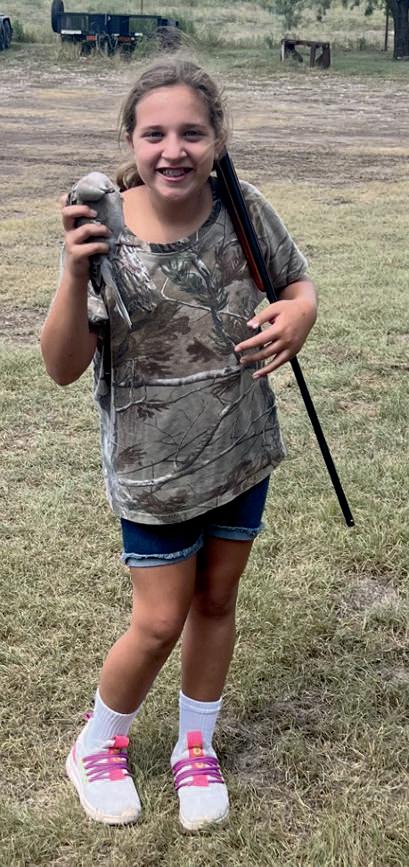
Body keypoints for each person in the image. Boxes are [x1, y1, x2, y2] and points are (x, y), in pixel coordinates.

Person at [40, 57, 317, 832]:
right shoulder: (102, 226)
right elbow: (62, 366)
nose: (173, 149)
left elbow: (295, 284)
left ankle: (195, 745)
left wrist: (300, 313)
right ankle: (97, 743)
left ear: (217, 139)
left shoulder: (243, 207)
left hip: (240, 448)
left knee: (217, 600)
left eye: (192, 133)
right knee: (159, 621)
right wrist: (74, 272)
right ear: (130, 140)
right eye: (154, 133)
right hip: (153, 469)